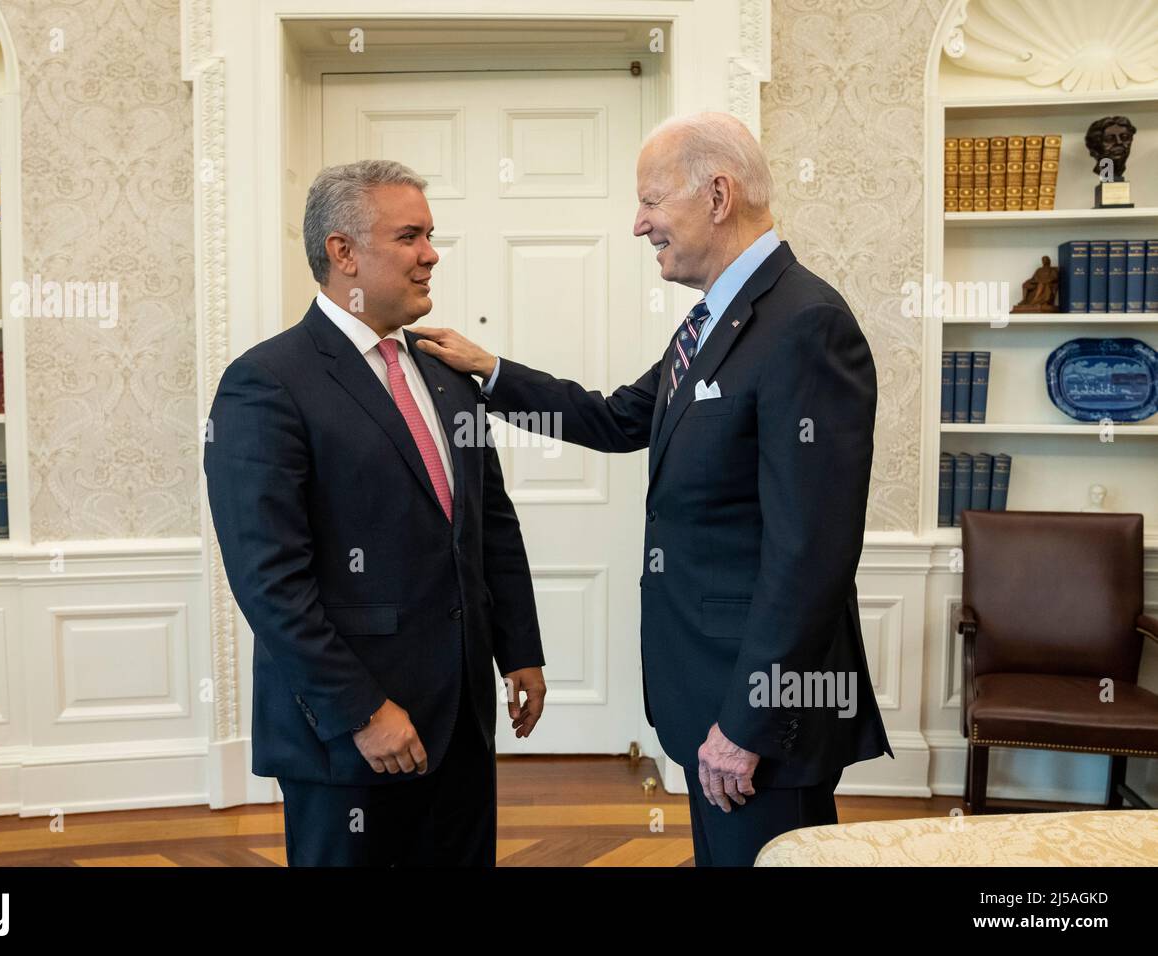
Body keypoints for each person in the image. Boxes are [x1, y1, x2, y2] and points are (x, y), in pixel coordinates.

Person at [414, 112, 892, 866]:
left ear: (718, 195)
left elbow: (813, 557)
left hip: (762, 716)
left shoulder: (807, 324)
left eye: (651, 201)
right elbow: (614, 418)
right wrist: (494, 373)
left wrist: (748, 724)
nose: (639, 225)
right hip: (710, 693)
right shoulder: (714, 321)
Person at [204, 159, 546, 866]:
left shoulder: (447, 370)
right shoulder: (265, 384)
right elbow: (270, 582)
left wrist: (520, 650)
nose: (431, 254)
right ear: (343, 252)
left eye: (430, 235)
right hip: (349, 738)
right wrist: (362, 711)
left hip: (462, 723)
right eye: (410, 236)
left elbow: (491, 524)